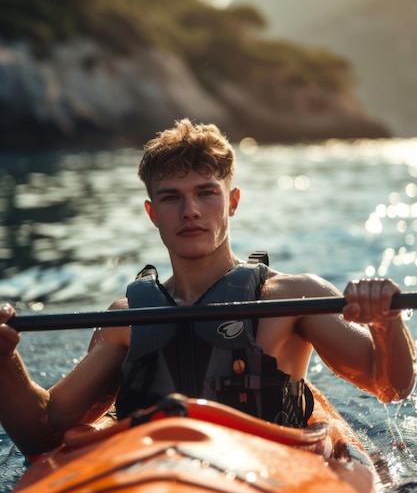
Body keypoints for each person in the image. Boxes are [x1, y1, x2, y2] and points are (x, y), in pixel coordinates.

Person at [0, 118, 416, 458]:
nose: (191, 211)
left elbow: (391, 385)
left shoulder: (293, 299)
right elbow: (45, 432)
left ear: (232, 201)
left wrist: (386, 321)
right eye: (171, 198)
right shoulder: (126, 318)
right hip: (150, 481)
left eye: (206, 193)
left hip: (268, 476)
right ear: (152, 212)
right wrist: (4, 358)